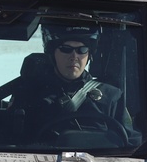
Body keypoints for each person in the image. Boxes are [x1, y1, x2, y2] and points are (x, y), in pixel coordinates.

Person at [10, 23, 140, 147]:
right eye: (66, 49)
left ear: (89, 54)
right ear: (52, 53)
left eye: (81, 50)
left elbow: (131, 144)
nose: (74, 57)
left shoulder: (111, 97)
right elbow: (10, 142)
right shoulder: (29, 94)